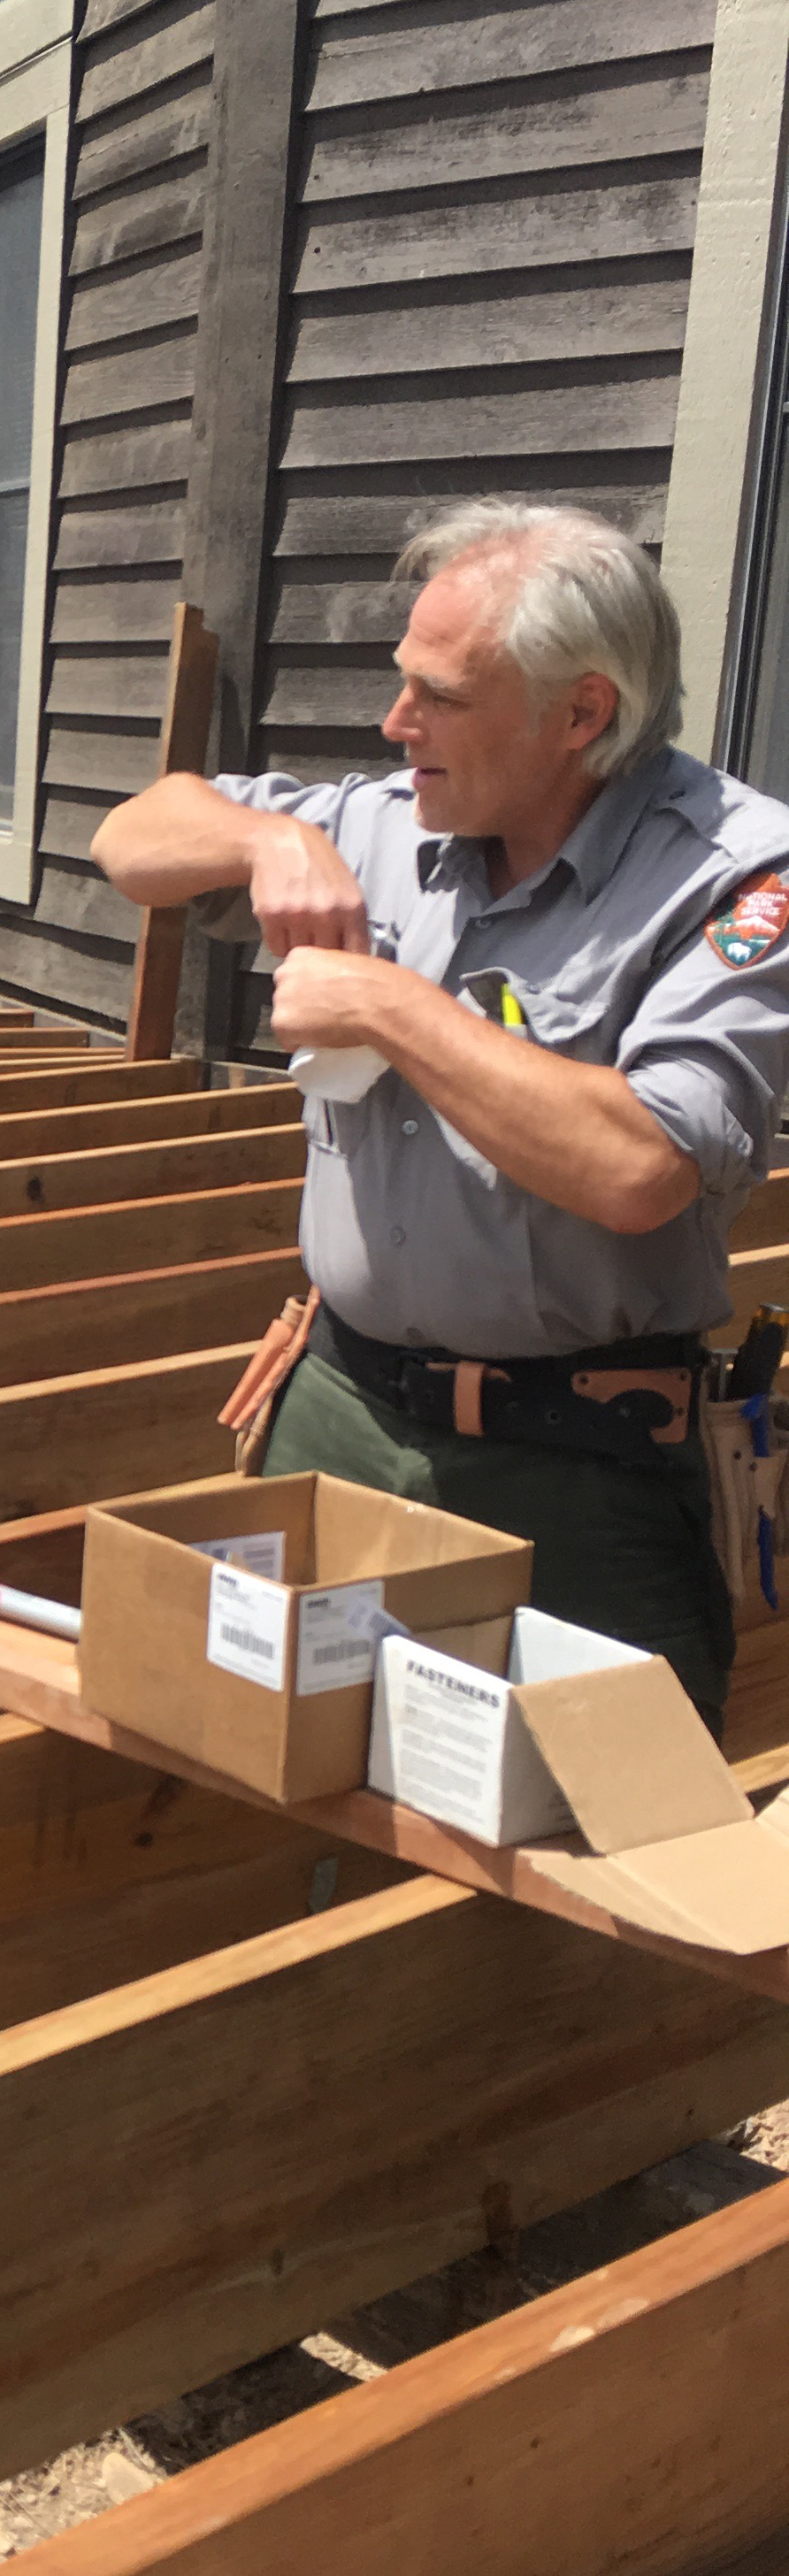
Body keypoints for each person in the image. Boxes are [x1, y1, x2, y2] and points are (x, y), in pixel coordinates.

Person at [90, 498, 789, 1734]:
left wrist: (391, 1007)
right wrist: (265, 841)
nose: (395, 722)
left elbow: (643, 1165)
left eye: (442, 696)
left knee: (595, 1851)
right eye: (401, 685)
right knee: (292, 1788)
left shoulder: (737, 877)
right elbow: (132, 836)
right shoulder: (384, 821)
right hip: (339, 1411)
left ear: (583, 714)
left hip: (578, 1468)